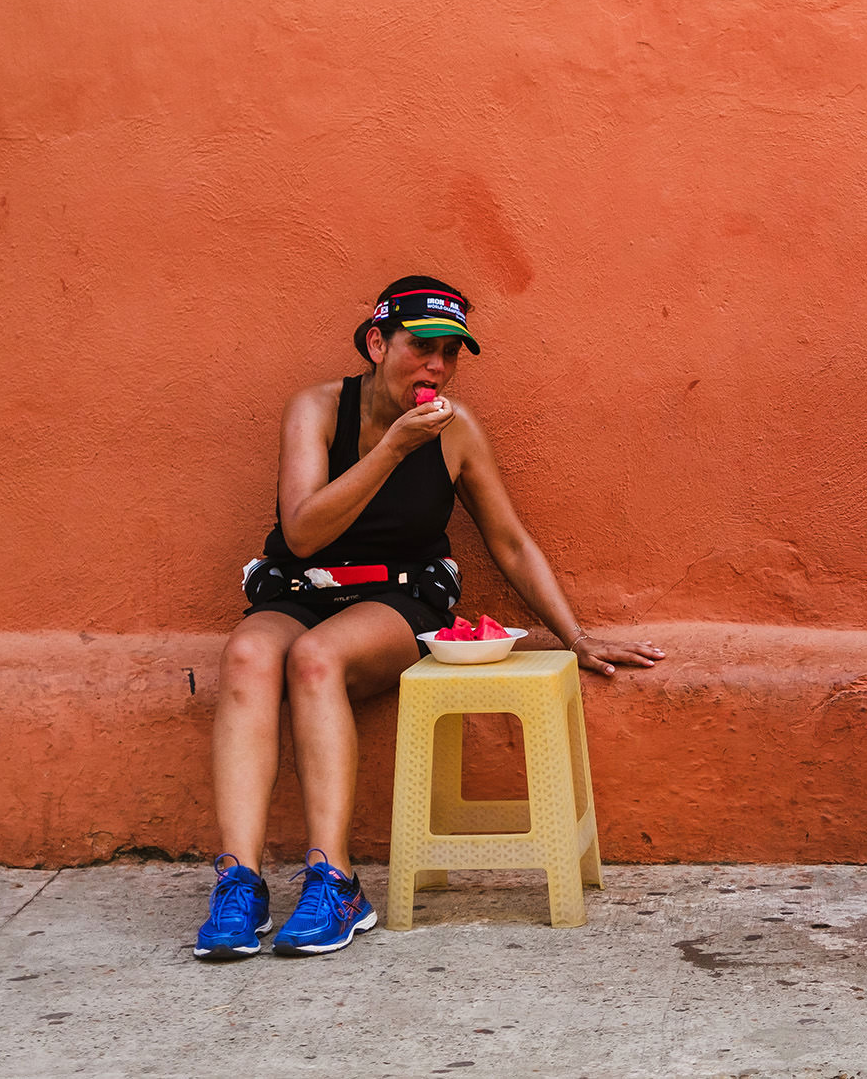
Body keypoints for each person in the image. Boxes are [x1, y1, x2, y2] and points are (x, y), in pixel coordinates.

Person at [195, 276, 665, 959]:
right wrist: (390, 448)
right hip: (299, 587)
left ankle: (335, 881)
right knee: (247, 654)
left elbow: (509, 540)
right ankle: (239, 883)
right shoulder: (318, 411)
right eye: (422, 347)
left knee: (317, 659)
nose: (437, 368)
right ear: (378, 342)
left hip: (400, 596)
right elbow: (301, 532)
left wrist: (578, 634)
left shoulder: (455, 429)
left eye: (451, 353)